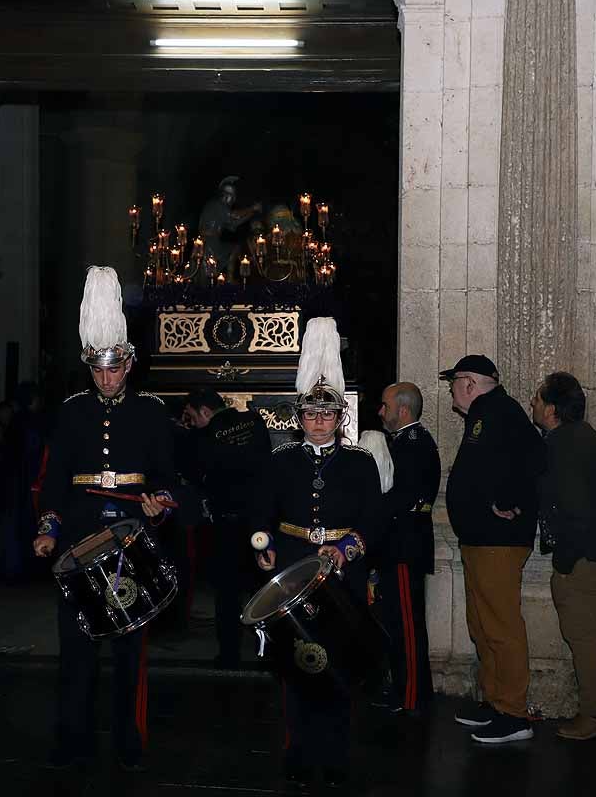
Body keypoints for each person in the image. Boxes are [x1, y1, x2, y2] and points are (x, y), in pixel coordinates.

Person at [32, 266, 175, 773]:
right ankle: (72, 739)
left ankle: (128, 741)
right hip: (78, 539)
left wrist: (160, 503)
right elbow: (52, 481)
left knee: (130, 651)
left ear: (129, 364)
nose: (106, 379)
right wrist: (48, 529)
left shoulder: (154, 412)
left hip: (131, 543)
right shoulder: (71, 412)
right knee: (75, 649)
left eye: (114, 370)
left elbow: (168, 477)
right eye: (97, 370)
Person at [251, 316, 383, 789]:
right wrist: (262, 551)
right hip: (291, 567)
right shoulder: (279, 460)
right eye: (310, 414)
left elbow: (374, 520)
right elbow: (260, 516)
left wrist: (348, 549)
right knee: (296, 664)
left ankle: (335, 757)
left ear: (339, 417)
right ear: (299, 417)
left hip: (341, 573)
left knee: (339, 666)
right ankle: (299, 753)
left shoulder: (361, 462)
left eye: (327, 414)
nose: (318, 421)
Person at [442, 354, 545, 744]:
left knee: (501, 626)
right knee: (482, 624)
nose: (451, 388)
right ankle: (495, 700)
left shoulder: (498, 409)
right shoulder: (487, 412)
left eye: (454, 381)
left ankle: (514, 713)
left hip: (497, 540)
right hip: (480, 538)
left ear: (469, 383)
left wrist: (510, 499)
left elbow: (535, 459)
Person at [531, 372, 596, 740]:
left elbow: (573, 507)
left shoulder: (561, 444)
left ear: (552, 409)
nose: (533, 405)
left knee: (582, 635)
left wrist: (565, 561)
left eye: (538, 400)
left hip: (583, 555)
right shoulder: (587, 437)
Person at [180, 387, 271, 668]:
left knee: (228, 594)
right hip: (260, 520)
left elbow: (195, 475)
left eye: (193, 417)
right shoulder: (255, 422)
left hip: (227, 523)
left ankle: (229, 654)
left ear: (205, 411)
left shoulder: (202, 437)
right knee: (264, 588)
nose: (193, 423)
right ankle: (266, 651)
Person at [374, 381, 440, 716]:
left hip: (404, 543)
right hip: (396, 542)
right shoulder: (402, 442)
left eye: (385, 405)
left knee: (408, 625)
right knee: (396, 622)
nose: (380, 411)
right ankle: (402, 688)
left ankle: (413, 697)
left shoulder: (413, 444)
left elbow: (401, 498)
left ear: (403, 409)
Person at [197, 176, 261, 278]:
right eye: (231, 195)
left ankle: (229, 278)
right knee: (207, 274)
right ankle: (227, 279)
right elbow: (234, 215)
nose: (233, 199)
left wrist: (252, 212)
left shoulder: (221, 208)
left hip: (213, 242)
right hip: (208, 244)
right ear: (225, 195)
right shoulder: (217, 205)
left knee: (234, 249)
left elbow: (233, 223)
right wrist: (252, 208)